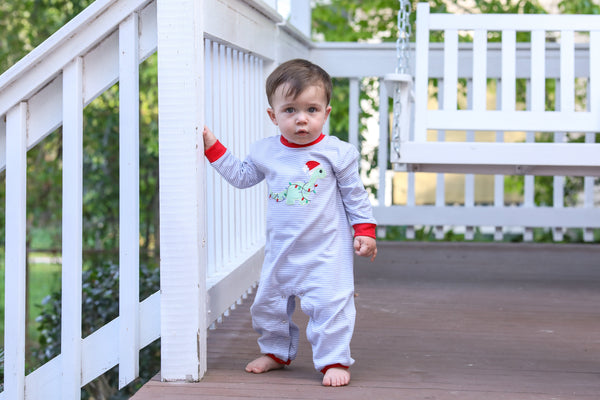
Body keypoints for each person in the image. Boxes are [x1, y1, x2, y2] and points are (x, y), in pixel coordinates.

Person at [202, 58, 377, 387]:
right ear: (273, 115)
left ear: (326, 112)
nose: (301, 120)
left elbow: (355, 195)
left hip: (326, 252)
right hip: (283, 249)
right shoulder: (265, 152)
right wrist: (213, 148)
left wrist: (364, 230)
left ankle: (334, 359)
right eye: (290, 111)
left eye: (311, 110)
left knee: (330, 305)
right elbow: (241, 177)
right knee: (267, 305)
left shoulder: (337, 153)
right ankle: (276, 352)